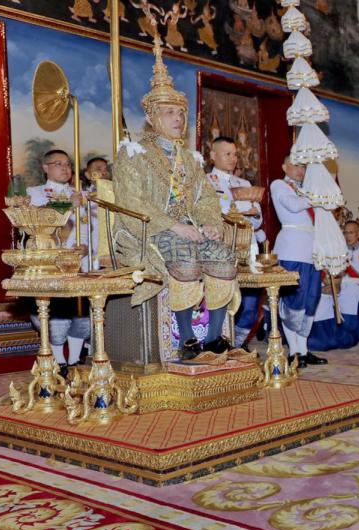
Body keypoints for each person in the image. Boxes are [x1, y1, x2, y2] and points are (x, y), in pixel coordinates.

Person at [112, 36, 237, 360]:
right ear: (152, 118)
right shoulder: (133, 152)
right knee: (185, 257)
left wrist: (211, 224)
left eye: (180, 112)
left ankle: (212, 339)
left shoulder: (191, 159)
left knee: (222, 255)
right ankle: (185, 339)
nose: (178, 119)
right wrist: (174, 227)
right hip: (150, 229)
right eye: (168, 112)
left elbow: (205, 199)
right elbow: (130, 202)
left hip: (191, 227)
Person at [27, 149, 90, 375]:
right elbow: (36, 221)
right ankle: (59, 362)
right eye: (58, 163)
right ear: (45, 167)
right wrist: (65, 206)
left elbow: (90, 228)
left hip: (79, 263)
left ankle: (74, 362)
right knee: (57, 318)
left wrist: (87, 248)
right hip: (50, 264)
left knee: (83, 317)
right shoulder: (34, 193)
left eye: (68, 164)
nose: (65, 168)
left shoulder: (81, 194)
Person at [270, 156, 329, 368]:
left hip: (312, 249)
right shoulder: (279, 185)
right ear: (284, 166)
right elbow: (294, 206)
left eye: (303, 166)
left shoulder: (306, 188)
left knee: (311, 299)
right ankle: (293, 350)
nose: (300, 170)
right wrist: (318, 196)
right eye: (295, 165)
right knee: (293, 299)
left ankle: (303, 350)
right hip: (292, 249)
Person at [208, 136, 264, 349]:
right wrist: (238, 211)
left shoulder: (245, 184)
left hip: (247, 247)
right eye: (227, 154)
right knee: (224, 300)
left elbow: (257, 220)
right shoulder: (207, 182)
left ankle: (238, 344)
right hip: (220, 249)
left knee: (250, 303)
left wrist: (253, 214)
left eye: (235, 154)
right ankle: (221, 343)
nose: (233, 158)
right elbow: (210, 214)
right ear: (213, 155)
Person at [307, 220, 359, 351]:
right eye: (345, 232)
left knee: (351, 292)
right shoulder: (337, 251)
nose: (347, 236)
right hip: (339, 286)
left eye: (351, 232)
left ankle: (352, 328)